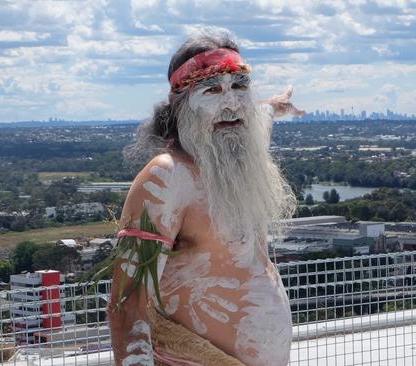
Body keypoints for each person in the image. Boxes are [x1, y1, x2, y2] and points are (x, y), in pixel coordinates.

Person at [107, 28, 303, 366]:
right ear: (181, 105)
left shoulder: (239, 161)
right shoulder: (167, 178)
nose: (231, 103)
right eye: (212, 90)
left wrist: (275, 106)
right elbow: (128, 301)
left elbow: (255, 116)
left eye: (240, 87)